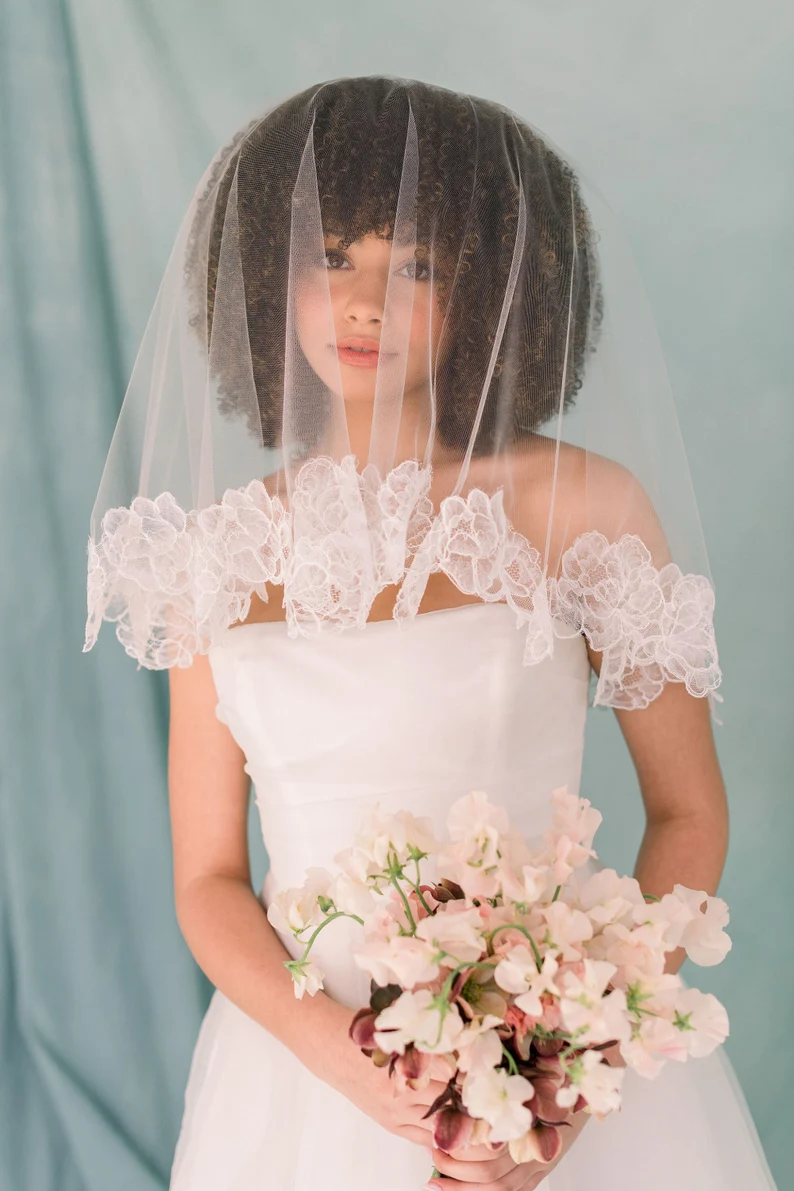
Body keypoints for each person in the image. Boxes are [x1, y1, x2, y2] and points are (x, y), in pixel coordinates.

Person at [83, 76, 776, 1189]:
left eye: (413, 266)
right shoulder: (210, 555)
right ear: (270, 273)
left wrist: (555, 1079)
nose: (363, 303)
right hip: (300, 1082)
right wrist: (349, 1065)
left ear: (493, 290)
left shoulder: (580, 508)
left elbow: (689, 814)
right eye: (332, 256)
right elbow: (208, 878)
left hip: (546, 1075)